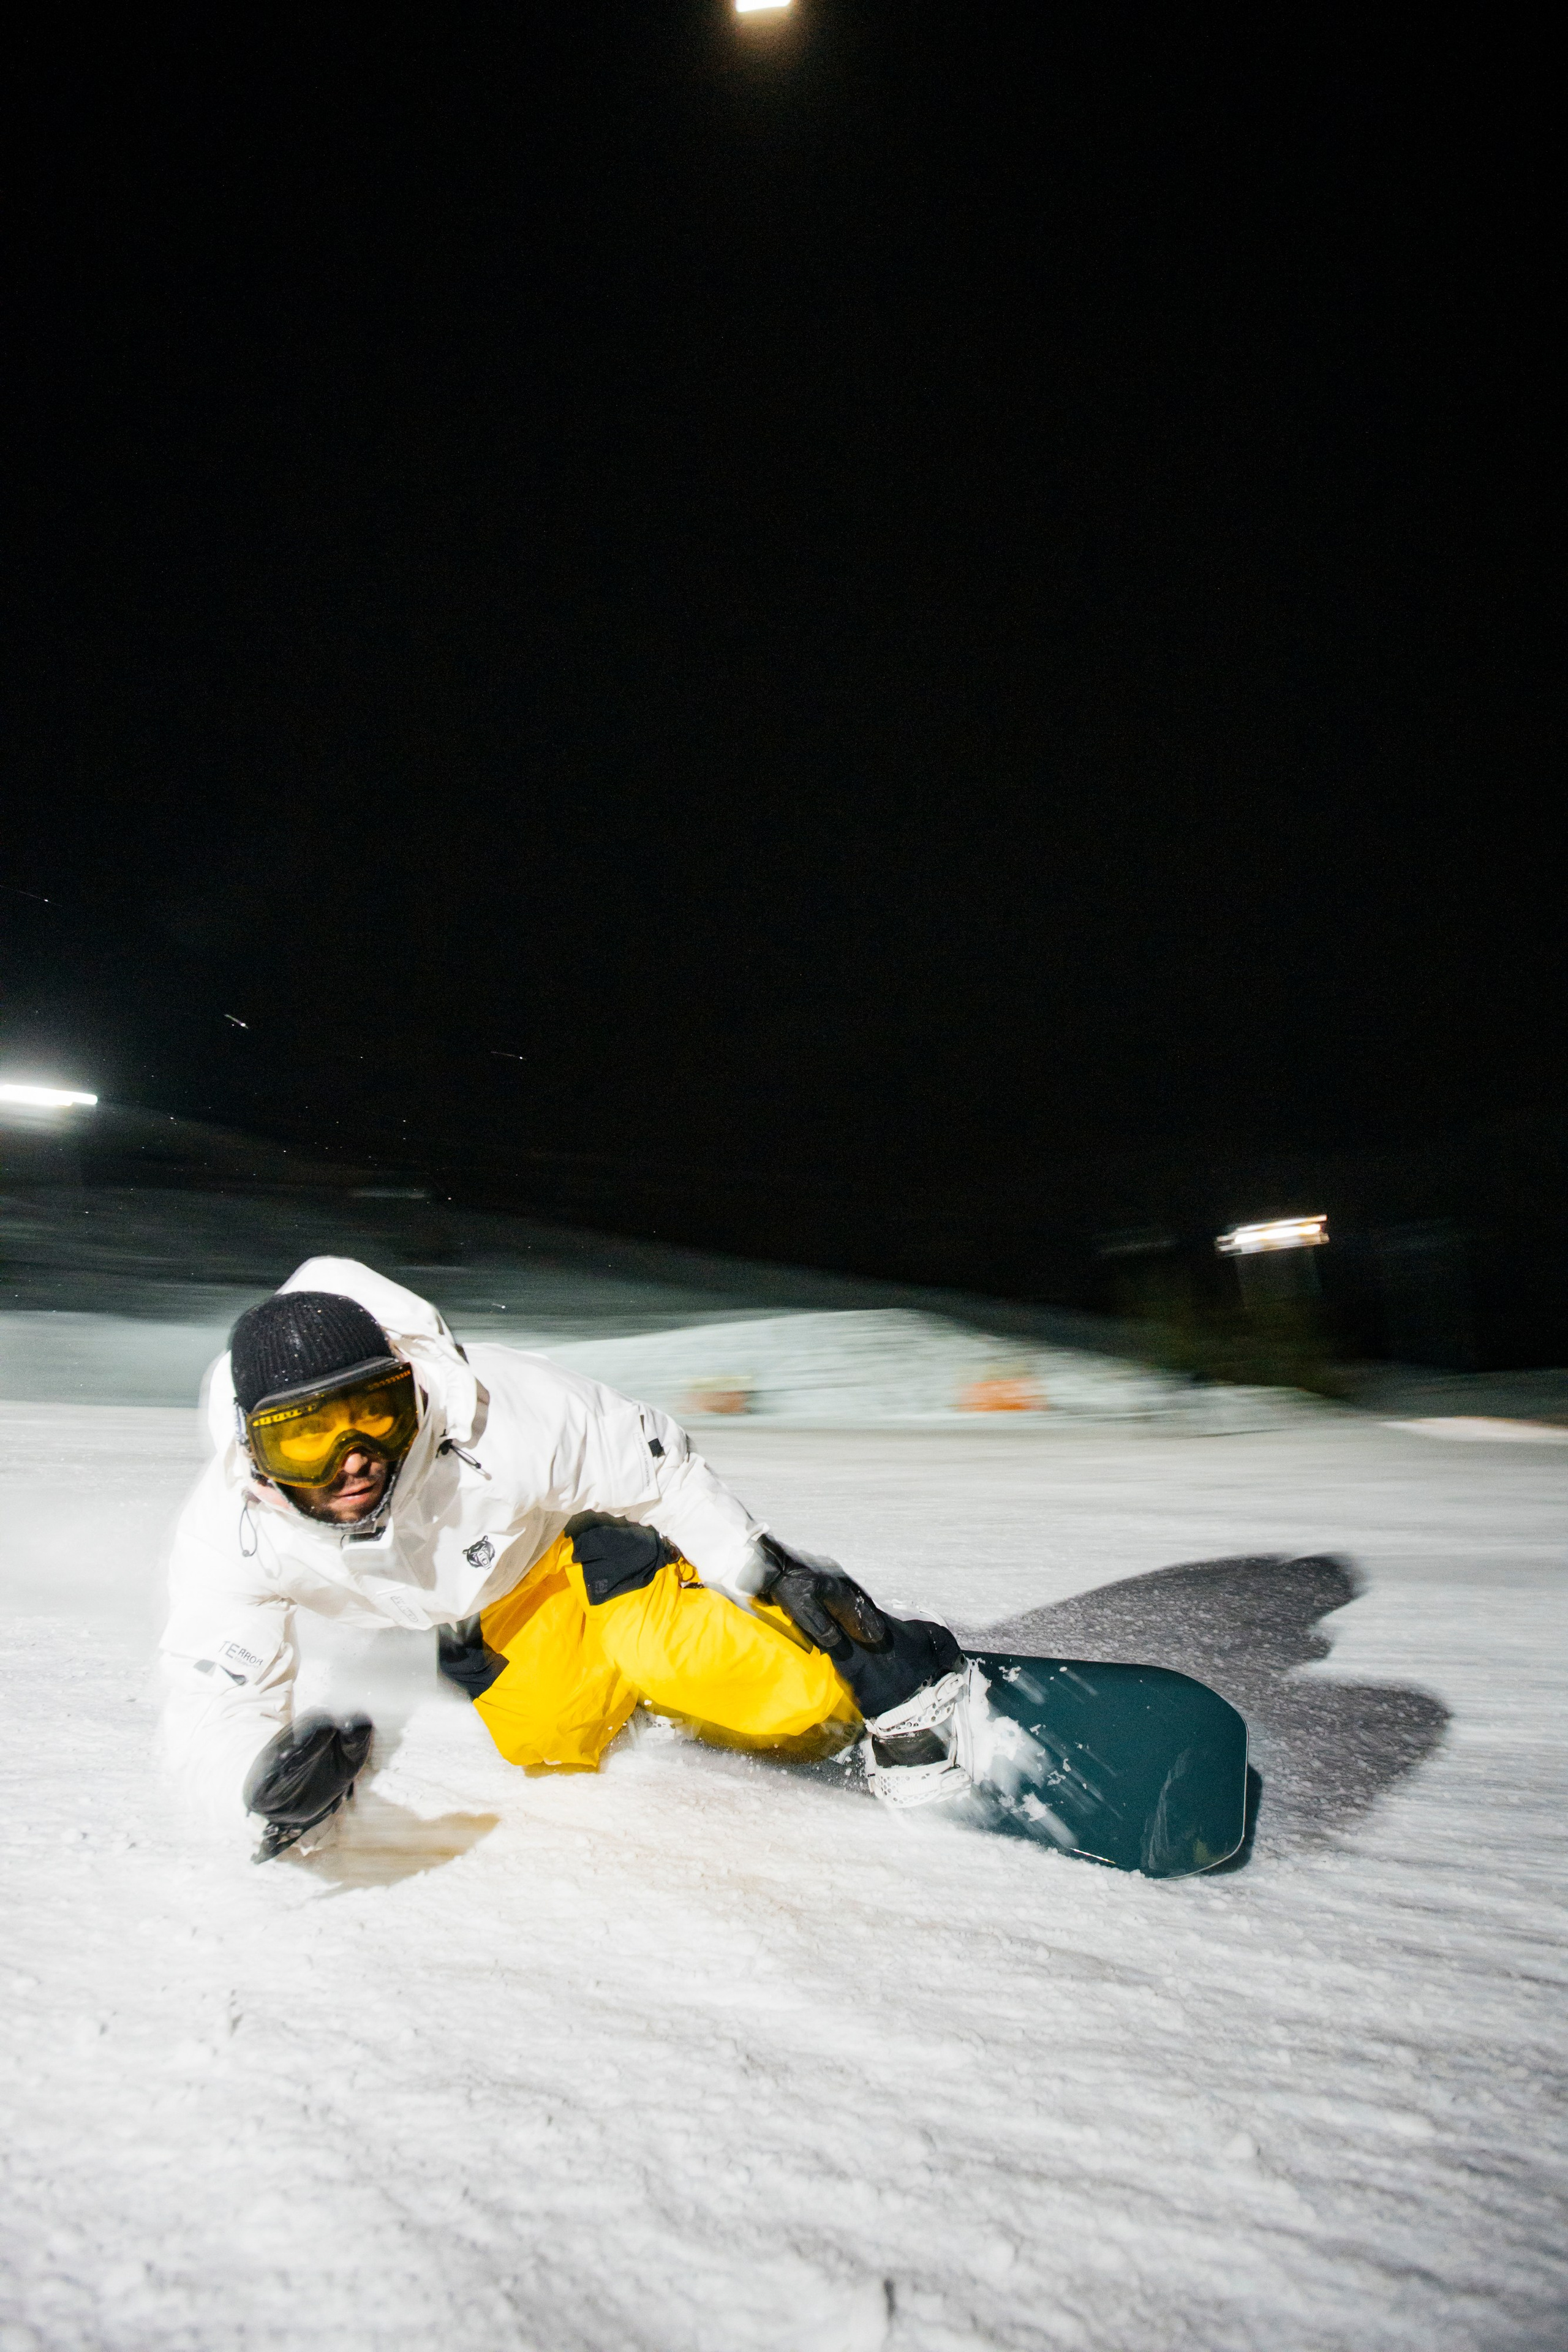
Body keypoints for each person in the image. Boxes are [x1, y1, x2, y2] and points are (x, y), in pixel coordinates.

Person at [160, 1259, 972, 1858]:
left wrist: (765, 1570)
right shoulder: (230, 1536)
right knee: (551, 1741)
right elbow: (209, 1699)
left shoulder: (501, 1414)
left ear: (408, 1390)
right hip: (478, 1612)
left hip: (568, 1552)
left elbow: (660, 1471)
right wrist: (254, 1779)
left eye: (373, 1411)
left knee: (749, 1684)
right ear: (254, 1454)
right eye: (306, 1435)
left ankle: (904, 1671)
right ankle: (654, 1684)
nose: (356, 1457)